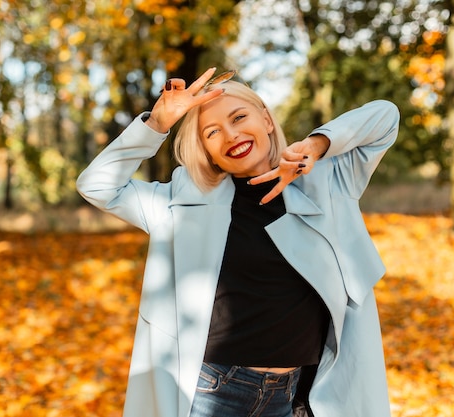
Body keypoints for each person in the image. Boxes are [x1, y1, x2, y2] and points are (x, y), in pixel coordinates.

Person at [76, 67, 400, 417]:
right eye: (212, 132)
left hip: (294, 394)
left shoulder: (328, 181)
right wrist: (157, 124)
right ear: (206, 151)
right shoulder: (182, 201)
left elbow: (385, 116)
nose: (230, 135)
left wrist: (318, 144)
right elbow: (97, 185)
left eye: (239, 117)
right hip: (212, 392)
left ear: (267, 120)